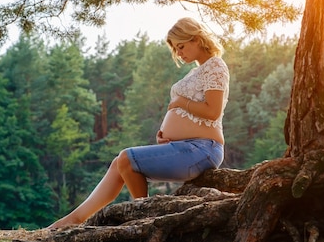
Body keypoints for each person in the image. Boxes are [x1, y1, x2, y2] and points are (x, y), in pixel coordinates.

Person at [47, 17, 230, 230]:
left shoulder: (214, 65)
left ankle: (142, 218)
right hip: (186, 147)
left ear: (197, 39)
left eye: (181, 46)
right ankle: (76, 218)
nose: (179, 54)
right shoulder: (197, 71)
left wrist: (180, 102)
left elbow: (212, 111)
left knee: (126, 158)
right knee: (119, 164)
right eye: (175, 49)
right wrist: (170, 134)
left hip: (203, 150)